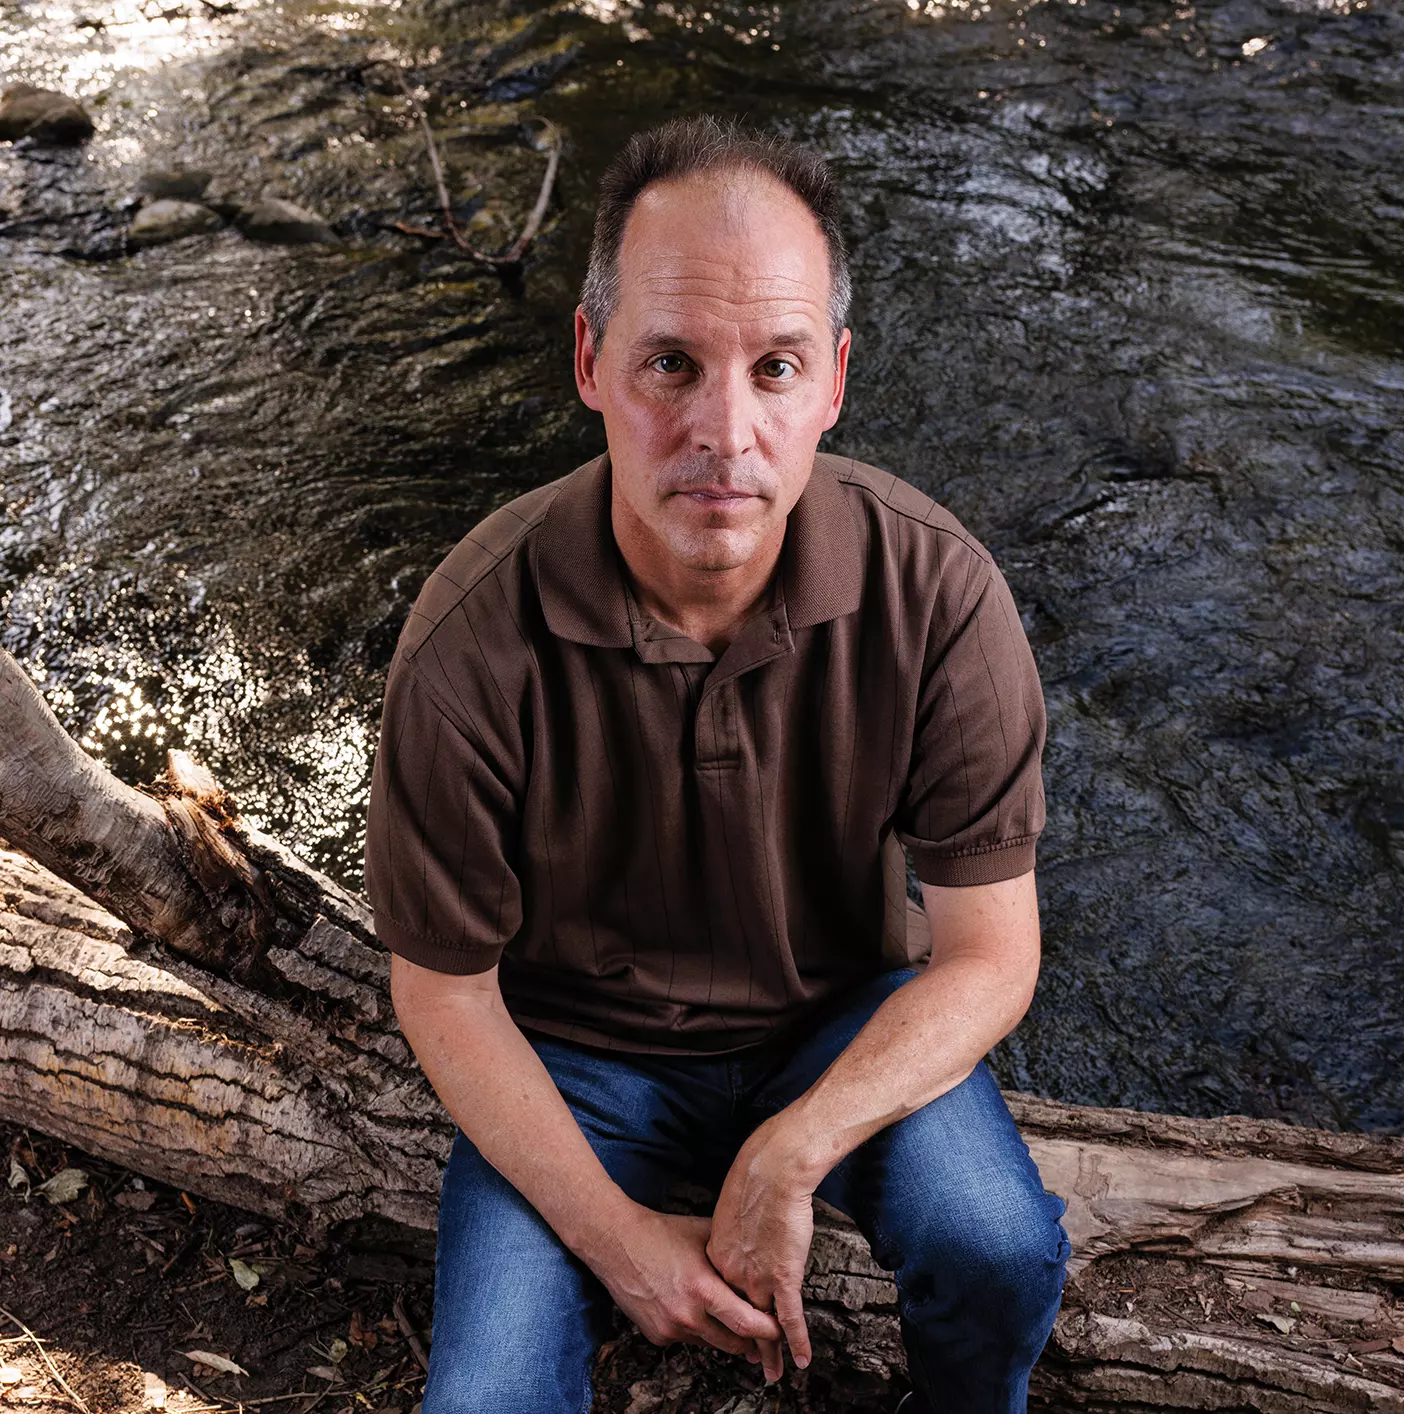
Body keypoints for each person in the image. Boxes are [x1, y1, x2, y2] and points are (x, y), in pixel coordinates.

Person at [362, 113, 1070, 1414]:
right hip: (572, 1048)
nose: (726, 432)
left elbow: (989, 953)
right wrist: (624, 1245)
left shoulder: (940, 593)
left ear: (838, 381)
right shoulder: (469, 638)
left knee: (999, 1251)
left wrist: (792, 1152)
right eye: (673, 363)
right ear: (589, 359)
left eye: (778, 367)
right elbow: (446, 993)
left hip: (836, 1017)